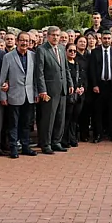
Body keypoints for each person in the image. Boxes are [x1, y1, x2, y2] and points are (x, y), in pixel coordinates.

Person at [0, 31, 38, 158]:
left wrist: (36, 93)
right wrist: (3, 96)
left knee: (26, 123)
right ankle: (13, 148)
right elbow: (3, 78)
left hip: (29, 95)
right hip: (14, 95)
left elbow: (36, 78)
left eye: (27, 41)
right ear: (17, 41)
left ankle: (26, 146)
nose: (24, 43)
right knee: (13, 124)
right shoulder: (8, 57)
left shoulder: (33, 56)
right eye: (22, 40)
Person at [34, 26, 72, 154]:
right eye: (53, 35)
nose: (56, 37)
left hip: (63, 88)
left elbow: (66, 68)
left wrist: (70, 83)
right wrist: (42, 90)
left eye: (57, 35)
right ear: (48, 36)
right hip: (49, 90)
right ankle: (46, 144)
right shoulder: (42, 50)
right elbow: (39, 72)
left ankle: (56, 142)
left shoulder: (61, 48)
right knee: (48, 119)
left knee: (60, 117)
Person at [63, 42, 86, 148]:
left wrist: (82, 87)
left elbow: (83, 77)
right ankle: (65, 139)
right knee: (67, 118)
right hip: (68, 95)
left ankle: (72, 138)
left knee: (74, 118)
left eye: (74, 51)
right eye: (70, 50)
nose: (72, 53)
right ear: (66, 51)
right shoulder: (64, 64)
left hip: (79, 96)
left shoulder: (77, 63)